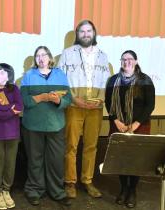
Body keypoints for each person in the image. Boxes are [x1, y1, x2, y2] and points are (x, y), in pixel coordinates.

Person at [57, 19, 111, 198]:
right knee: (71, 145)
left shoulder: (103, 56)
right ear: (77, 34)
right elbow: (60, 79)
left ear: (94, 33)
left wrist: (101, 100)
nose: (86, 34)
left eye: (89, 31)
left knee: (91, 146)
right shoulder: (67, 54)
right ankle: (70, 182)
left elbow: (107, 81)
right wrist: (73, 99)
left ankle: (87, 181)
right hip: (74, 106)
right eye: (82, 32)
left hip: (95, 108)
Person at [20, 46, 72, 207]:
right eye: (38, 56)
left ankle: (57, 191)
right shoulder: (28, 76)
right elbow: (25, 102)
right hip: (33, 126)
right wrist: (42, 97)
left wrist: (58, 101)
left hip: (56, 126)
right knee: (35, 160)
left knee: (56, 160)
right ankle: (35, 190)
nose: (41, 58)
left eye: (44, 55)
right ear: (35, 60)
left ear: (50, 58)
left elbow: (68, 100)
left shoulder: (60, 75)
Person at [105, 50, 155, 208]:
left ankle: (132, 190)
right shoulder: (113, 80)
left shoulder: (145, 80)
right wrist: (116, 120)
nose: (127, 62)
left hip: (140, 125)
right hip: (118, 124)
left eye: (130, 59)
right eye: (124, 59)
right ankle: (123, 188)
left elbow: (150, 105)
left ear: (136, 61)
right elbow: (108, 103)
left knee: (136, 159)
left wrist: (136, 124)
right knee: (120, 158)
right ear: (121, 61)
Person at [0, 63, 23, 209]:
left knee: (10, 164)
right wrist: (8, 109)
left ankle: (6, 191)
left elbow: (19, 107)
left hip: (12, 134)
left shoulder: (14, 89)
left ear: (9, 76)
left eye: (2, 72)